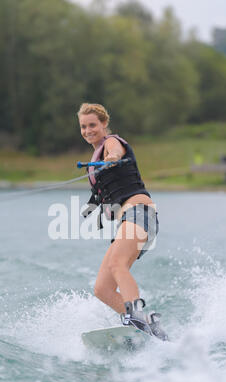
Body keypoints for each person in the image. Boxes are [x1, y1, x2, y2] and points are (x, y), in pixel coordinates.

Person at [78, 103, 168, 340]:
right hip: (127, 221)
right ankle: (150, 327)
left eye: (92, 125)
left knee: (117, 263)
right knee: (102, 289)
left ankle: (135, 314)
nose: (88, 130)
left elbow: (115, 151)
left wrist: (114, 158)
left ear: (104, 124)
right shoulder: (94, 159)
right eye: (83, 127)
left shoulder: (111, 142)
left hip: (140, 213)